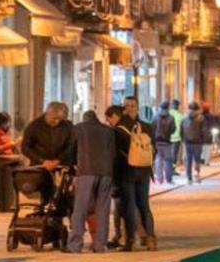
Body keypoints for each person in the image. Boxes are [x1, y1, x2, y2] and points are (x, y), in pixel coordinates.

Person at [109, 103, 157, 251]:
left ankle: (130, 241)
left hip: (126, 171)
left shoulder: (117, 130)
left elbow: (114, 155)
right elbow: (153, 149)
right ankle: (150, 239)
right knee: (144, 205)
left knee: (129, 205)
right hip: (143, 171)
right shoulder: (146, 127)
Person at [67, 109, 116, 253]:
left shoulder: (79, 129)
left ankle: (75, 245)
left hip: (86, 171)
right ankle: (100, 244)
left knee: (80, 209)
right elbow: (113, 153)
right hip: (106, 173)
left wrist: (71, 167)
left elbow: (71, 150)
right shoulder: (108, 131)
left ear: (84, 118)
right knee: (103, 209)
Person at [20, 101, 76, 171]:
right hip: (40, 166)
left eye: (59, 119)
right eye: (54, 118)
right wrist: (42, 161)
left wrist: (58, 160)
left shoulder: (67, 126)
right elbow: (25, 147)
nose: (57, 121)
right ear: (47, 114)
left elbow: (71, 146)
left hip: (61, 165)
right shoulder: (34, 126)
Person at [0, 112, 24, 212]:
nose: (8, 125)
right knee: (6, 181)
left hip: (11, 159)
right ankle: (6, 204)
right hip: (3, 161)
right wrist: (11, 144)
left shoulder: (7, 132)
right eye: (6, 122)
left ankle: (13, 202)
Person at [183, 102, 207, 184]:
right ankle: (197, 175)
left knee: (188, 160)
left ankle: (189, 178)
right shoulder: (201, 118)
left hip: (188, 142)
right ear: (197, 109)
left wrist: (184, 139)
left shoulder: (184, 118)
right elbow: (204, 131)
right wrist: (203, 139)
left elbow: (181, 130)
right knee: (197, 159)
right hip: (198, 142)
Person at [152, 104, 177, 184]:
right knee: (168, 161)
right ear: (168, 108)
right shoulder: (171, 117)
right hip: (167, 141)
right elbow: (173, 129)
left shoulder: (155, 117)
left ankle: (160, 179)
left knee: (158, 160)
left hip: (157, 141)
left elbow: (152, 127)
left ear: (160, 107)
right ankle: (169, 179)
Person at [169, 100, 184, 174]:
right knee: (174, 154)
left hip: (167, 138)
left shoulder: (167, 114)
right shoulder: (180, 115)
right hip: (177, 138)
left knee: (168, 154)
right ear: (177, 106)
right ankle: (172, 170)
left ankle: (167, 169)